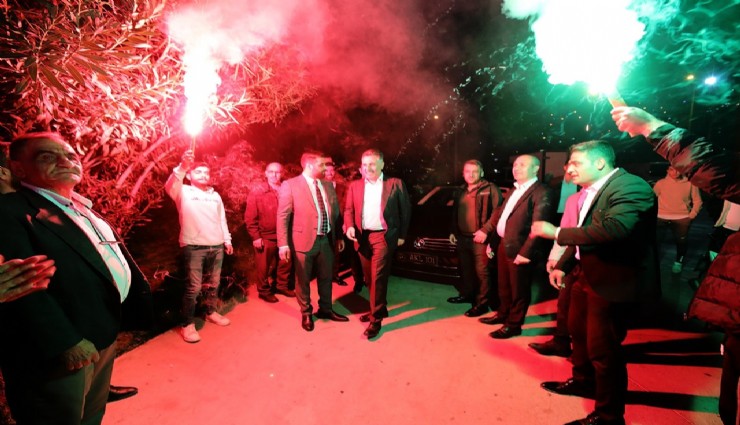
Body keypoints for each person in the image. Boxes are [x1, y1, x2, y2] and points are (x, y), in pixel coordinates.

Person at [0, 132, 153, 424]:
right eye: (48, 156)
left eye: (71, 155)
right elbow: (21, 287)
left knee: (92, 414)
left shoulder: (79, 207)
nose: (65, 161)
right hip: (61, 352)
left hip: (100, 335)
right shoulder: (11, 212)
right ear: (19, 168)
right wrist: (66, 342)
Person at [612, 106, 739, 425]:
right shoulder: (661, 183)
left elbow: (715, 172)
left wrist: (653, 127)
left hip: (684, 221)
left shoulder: (692, 183)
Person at [531, 140, 660, 425]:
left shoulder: (631, 186)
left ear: (600, 163)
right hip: (583, 274)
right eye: (569, 163)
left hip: (612, 280)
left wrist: (556, 232)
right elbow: (585, 235)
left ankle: (609, 416)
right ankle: (583, 382)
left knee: (604, 349)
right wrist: (564, 266)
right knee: (578, 333)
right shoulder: (590, 191)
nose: (569, 169)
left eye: (576, 163)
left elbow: (615, 229)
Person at [476, 154, 554, 339]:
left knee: (519, 289)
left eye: (522, 165)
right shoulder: (514, 189)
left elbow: (539, 225)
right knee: (504, 286)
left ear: (535, 169)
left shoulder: (542, 191)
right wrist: (492, 240)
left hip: (521, 249)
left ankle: (514, 324)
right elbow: (501, 215)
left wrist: (526, 252)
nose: (516, 168)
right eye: (515, 165)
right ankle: (503, 314)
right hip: (504, 245)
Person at [165, 150, 233, 343]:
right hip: (194, 246)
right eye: (198, 172)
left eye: (206, 172)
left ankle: (210, 312)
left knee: (213, 283)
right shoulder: (183, 192)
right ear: (189, 176)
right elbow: (170, 184)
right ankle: (187, 324)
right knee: (193, 287)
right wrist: (183, 166)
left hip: (216, 245)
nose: (203, 175)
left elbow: (221, 219)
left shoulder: (215, 196)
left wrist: (227, 240)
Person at [277, 151, 348, 332]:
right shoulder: (290, 185)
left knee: (326, 277)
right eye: (321, 165)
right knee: (303, 279)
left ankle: (326, 309)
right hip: (303, 240)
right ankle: (306, 312)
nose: (325, 168)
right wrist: (283, 244)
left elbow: (335, 212)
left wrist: (339, 236)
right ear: (309, 165)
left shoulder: (327, 185)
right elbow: (283, 216)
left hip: (327, 239)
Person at [344, 149, 412, 339]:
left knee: (378, 277)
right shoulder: (355, 186)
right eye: (365, 165)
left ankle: (376, 319)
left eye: (372, 164)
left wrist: (402, 235)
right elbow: (348, 210)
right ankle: (378, 308)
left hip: (384, 236)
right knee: (369, 278)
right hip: (362, 237)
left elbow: (405, 210)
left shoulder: (395, 183)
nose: (368, 168)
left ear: (382, 164)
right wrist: (349, 226)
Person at [527, 188, 580, 358]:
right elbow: (565, 229)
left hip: (595, 262)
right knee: (564, 303)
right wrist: (555, 257)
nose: (570, 174)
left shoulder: (614, 192)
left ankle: (585, 353)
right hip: (571, 257)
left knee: (588, 312)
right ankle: (561, 342)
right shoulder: (573, 199)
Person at [448, 159, 503, 317]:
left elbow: (498, 212)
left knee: (482, 273)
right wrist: (453, 231)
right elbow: (455, 212)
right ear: (463, 174)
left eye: (475, 171)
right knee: (466, 270)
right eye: (467, 171)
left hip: (481, 238)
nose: (471, 175)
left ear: (482, 173)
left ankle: (482, 304)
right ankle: (468, 295)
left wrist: (485, 230)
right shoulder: (460, 190)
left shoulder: (490, 188)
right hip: (462, 238)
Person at [245, 162, 295, 303]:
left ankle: (281, 286)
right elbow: (250, 217)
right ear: (266, 173)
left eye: (277, 172)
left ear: (282, 173)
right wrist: (256, 236)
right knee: (263, 266)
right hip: (266, 235)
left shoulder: (286, 189)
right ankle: (264, 291)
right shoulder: (258, 191)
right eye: (271, 172)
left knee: (285, 262)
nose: (274, 175)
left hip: (284, 234)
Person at [653, 166, 702, 273]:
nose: (675, 172)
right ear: (667, 170)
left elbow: (698, 201)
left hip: (681, 218)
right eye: (671, 169)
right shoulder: (661, 183)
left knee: (681, 242)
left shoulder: (690, 184)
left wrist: (692, 215)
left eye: (677, 169)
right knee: (656, 241)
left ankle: (678, 262)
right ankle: (653, 262)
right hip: (661, 217)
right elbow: (651, 198)